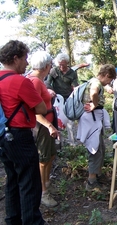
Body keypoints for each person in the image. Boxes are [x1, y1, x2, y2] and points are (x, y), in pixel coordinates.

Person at [0, 40, 47, 224]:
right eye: (25, 59)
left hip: (3, 136)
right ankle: (32, 221)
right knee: (29, 182)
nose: (27, 63)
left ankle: (12, 220)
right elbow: (41, 108)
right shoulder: (20, 81)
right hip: (19, 136)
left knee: (12, 180)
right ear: (15, 58)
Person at [77, 64, 117, 191]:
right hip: (91, 120)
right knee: (95, 149)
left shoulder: (92, 81)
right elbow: (94, 92)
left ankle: (97, 175)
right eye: (109, 80)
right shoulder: (96, 83)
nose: (108, 83)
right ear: (106, 75)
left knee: (100, 148)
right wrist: (94, 104)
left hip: (93, 120)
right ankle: (91, 181)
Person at [27, 51, 59, 207]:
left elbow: (41, 99)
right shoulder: (34, 82)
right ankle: (43, 192)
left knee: (51, 155)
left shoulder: (40, 81)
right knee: (43, 158)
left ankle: (47, 182)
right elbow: (34, 111)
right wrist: (49, 125)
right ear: (46, 66)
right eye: (50, 65)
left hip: (49, 124)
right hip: (42, 126)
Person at [45, 53, 78, 146]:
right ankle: (59, 142)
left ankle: (72, 142)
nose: (61, 66)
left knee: (70, 121)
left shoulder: (72, 73)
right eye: (59, 64)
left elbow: (75, 85)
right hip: (57, 100)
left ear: (67, 63)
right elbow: (47, 82)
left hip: (68, 99)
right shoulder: (54, 71)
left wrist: (76, 89)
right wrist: (50, 90)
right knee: (57, 121)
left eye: (63, 64)